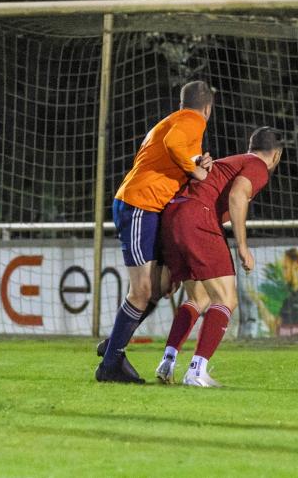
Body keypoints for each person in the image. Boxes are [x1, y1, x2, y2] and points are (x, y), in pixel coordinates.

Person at [95, 81, 214, 384]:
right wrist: (198, 171)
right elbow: (174, 145)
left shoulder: (175, 121)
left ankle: (113, 345)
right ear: (207, 108)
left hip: (149, 207)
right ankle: (110, 364)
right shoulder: (192, 120)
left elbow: (173, 155)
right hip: (139, 205)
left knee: (160, 287)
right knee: (142, 291)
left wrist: (196, 163)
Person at [155, 127, 283, 387]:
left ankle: (168, 360)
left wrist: (168, 261)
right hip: (198, 217)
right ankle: (197, 370)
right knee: (226, 298)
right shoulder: (257, 166)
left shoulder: (232, 161)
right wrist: (243, 246)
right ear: (276, 154)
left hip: (173, 217)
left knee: (198, 297)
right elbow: (237, 195)